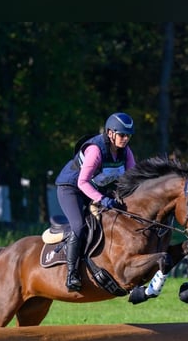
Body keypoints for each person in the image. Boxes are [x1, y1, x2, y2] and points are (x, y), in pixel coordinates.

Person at [54, 112, 137, 292]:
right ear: (110, 133)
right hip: (71, 188)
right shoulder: (96, 150)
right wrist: (101, 199)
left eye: (128, 135)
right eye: (122, 134)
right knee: (79, 226)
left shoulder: (126, 152)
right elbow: (82, 182)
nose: (125, 139)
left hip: (96, 189)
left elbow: (132, 180)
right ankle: (72, 274)